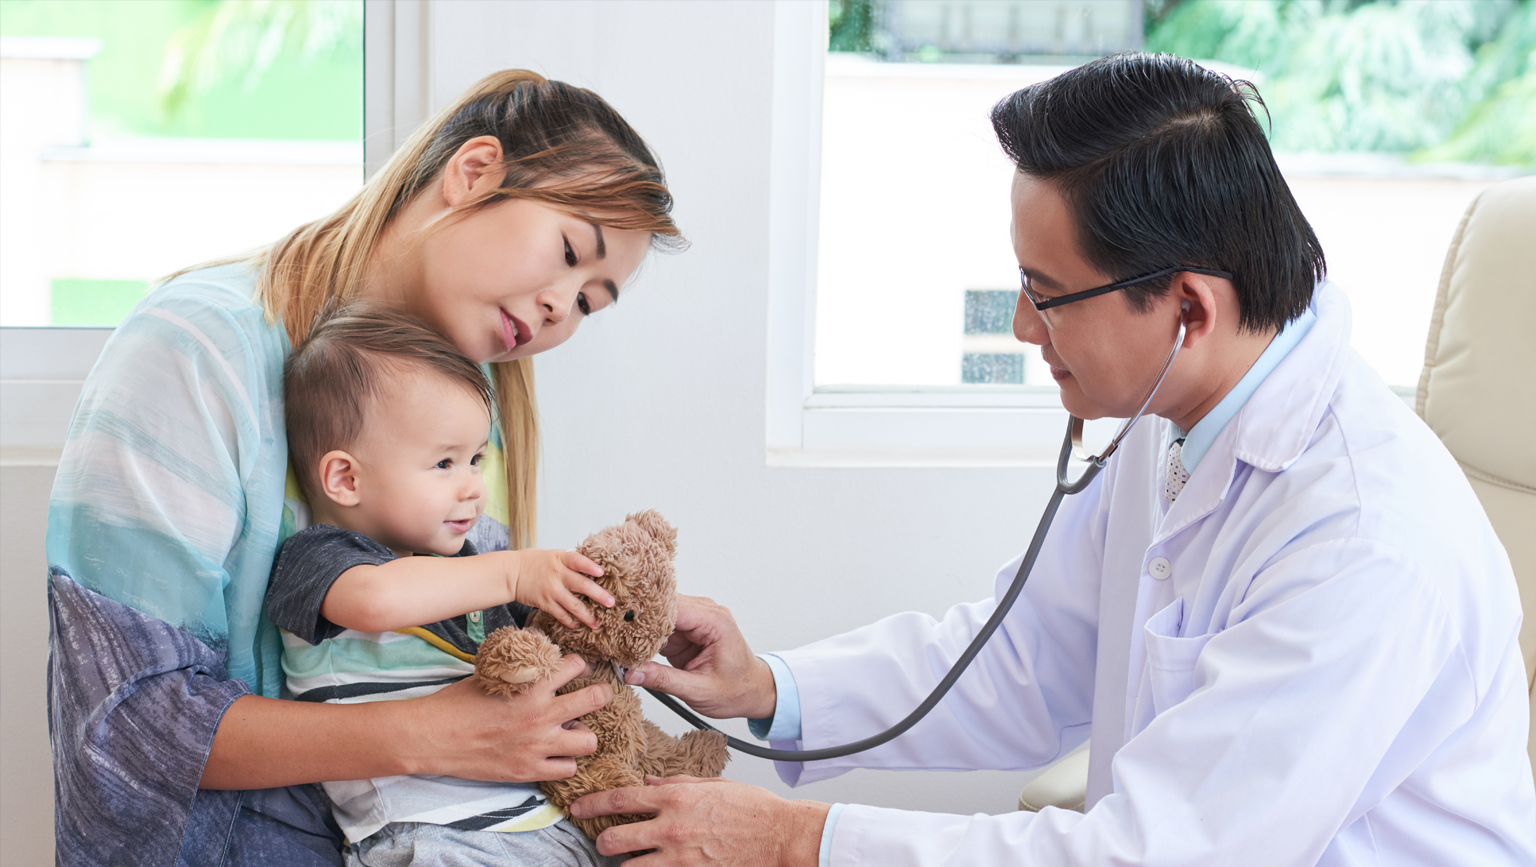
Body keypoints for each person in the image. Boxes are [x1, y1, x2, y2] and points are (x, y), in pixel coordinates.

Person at [568, 53, 1536, 866]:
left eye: (1048, 293)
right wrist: (772, 687)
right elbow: (1028, 659)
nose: (1025, 328)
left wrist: (797, 840)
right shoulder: (1172, 411)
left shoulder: (1366, 540)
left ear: (1187, 308)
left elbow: (1162, 853)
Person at [46, 69, 679, 865]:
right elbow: (129, 720)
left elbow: (465, 650)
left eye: (588, 301)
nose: (562, 307)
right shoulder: (193, 351)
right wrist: (427, 734)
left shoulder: (468, 399)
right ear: (474, 171)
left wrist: (614, 617)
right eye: (568, 252)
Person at [263, 303, 620, 865]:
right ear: (346, 479)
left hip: (541, 823)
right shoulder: (319, 556)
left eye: (476, 459)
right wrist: (512, 573)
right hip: (434, 837)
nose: (474, 486)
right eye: (444, 464)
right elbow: (377, 599)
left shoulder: (466, 565)